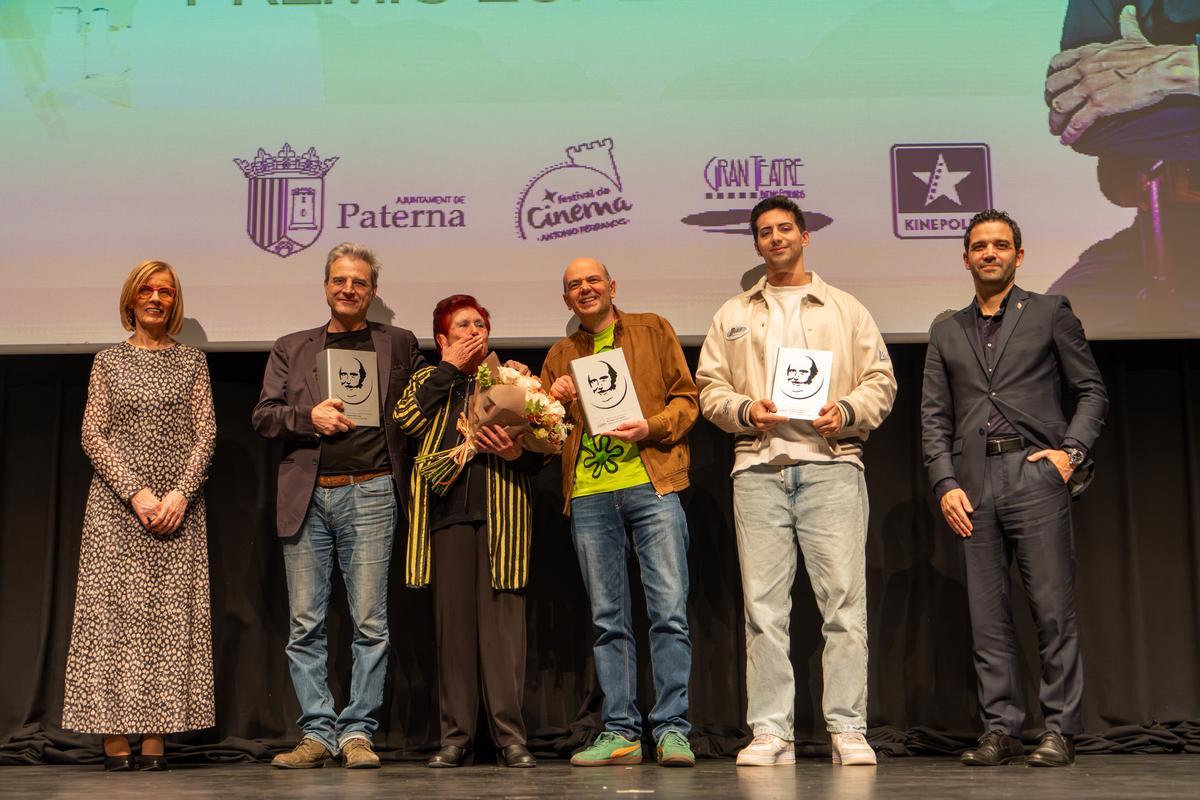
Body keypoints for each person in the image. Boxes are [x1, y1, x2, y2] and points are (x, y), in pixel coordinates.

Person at [696, 196, 896, 767]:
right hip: (757, 469)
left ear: (805, 236)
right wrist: (743, 410)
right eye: (765, 232)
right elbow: (709, 388)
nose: (776, 238)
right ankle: (771, 731)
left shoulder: (844, 309)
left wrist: (847, 412)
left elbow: (881, 379)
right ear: (756, 244)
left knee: (843, 605)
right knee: (763, 609)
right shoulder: (733, 313)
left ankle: (847, 728)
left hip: (831, 466)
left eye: (785, 229)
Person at [921, 209, 1108, 767]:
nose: (990, 253)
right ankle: (1000, 728)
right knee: (987, 617)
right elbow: (934, 416)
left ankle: (1059, 729)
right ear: (966, 258)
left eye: (1001, 245)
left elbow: (1091, 391)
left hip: (1034, 475)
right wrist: (944, 482)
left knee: (1052, 610)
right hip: (972, 483)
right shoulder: (946, 328)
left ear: (1019, 255)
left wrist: (1068, 455)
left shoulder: (1050, 312)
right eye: (979, 246)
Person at [252, 242, 426, 769]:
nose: (348, 289)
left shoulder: (398, 343)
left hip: (372, 490)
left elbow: (424, 408)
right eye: (339, 281)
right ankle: (317, 733)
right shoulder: (292, 346)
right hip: (307, 494)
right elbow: (264, 416)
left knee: (370, 622)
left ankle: (357, 732)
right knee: (305, 623)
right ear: (325, 286)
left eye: (359, 282)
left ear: (372, 291)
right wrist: (310, 418)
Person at [540, 257, 699, 768]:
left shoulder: (652, 329)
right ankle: (620, 730)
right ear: (566, 300)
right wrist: (553, 402)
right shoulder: (560, 354)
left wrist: (651, 427)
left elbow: (687, 400)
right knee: (609, 619)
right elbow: (543, 437)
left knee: (668, 612)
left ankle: (673, 728)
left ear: (611, 286)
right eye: (573, 286)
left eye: (592, 280)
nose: (584, 289)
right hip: (588, 494)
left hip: (652, 485)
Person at [62, 260, 216, 771]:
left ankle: (155, 736)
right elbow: (93, 434)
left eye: (166, 292)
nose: (156, 298)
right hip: (117, 508)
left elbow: (206, 434)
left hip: (178, 511)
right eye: (147, 290)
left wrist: (179, 495)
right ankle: (112, 735)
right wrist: (137, 493)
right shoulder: (108, 361)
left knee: (167, 620)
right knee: (111, 620)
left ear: (175, 302)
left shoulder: (192, 361)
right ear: (131, 299)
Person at [392, 295, 541, 769]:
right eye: (462, 326)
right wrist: (449, 369)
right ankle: (455, 737)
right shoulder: (427, 379)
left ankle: (509, 737)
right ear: (442, 338)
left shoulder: (511, 378)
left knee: (503, 634)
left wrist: (520, 453)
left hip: (503, 516)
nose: (474, 331)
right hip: (447, 517)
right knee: (454, 633)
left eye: (480, 323)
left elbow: (545, 443)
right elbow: (407, 422)